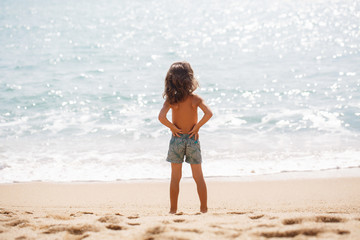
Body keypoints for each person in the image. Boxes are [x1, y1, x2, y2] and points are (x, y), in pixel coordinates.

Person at [158, 61, 213, 214]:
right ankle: (203, 209)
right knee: (198, 176)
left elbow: (161, 117)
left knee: (175, 177)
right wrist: (197, 127)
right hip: (192, 138)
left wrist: (172, 127)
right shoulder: (195, 99)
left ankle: (173, 210)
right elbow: (209, 113)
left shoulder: (171, 100)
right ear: (189, 79)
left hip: (177, 139)